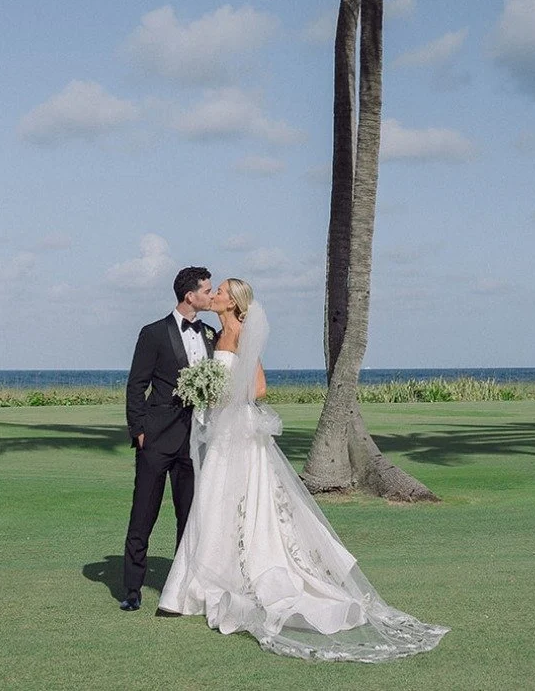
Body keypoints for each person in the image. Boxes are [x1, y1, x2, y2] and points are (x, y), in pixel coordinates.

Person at [157, 278, 448, 661]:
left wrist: (218, 392)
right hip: (223, 430)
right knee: (213, 499)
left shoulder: (242, 333)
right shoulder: (215, 334)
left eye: (222, 292)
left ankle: (237, 577)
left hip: (239, 429)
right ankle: (196, 582)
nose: (215, 296)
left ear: (233, 302)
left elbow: (258, 388)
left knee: (239, 498)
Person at [120, 266, 217, 611]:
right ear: (190, 295)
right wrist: (140, 431)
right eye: (207, 290)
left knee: (188, 516)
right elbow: (136, 384)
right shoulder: (153, 333)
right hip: (157, 438)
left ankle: (181, 588)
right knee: (143, 513)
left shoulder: (210, 334)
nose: (211, 295)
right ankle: (132, 588)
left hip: (196, 440)